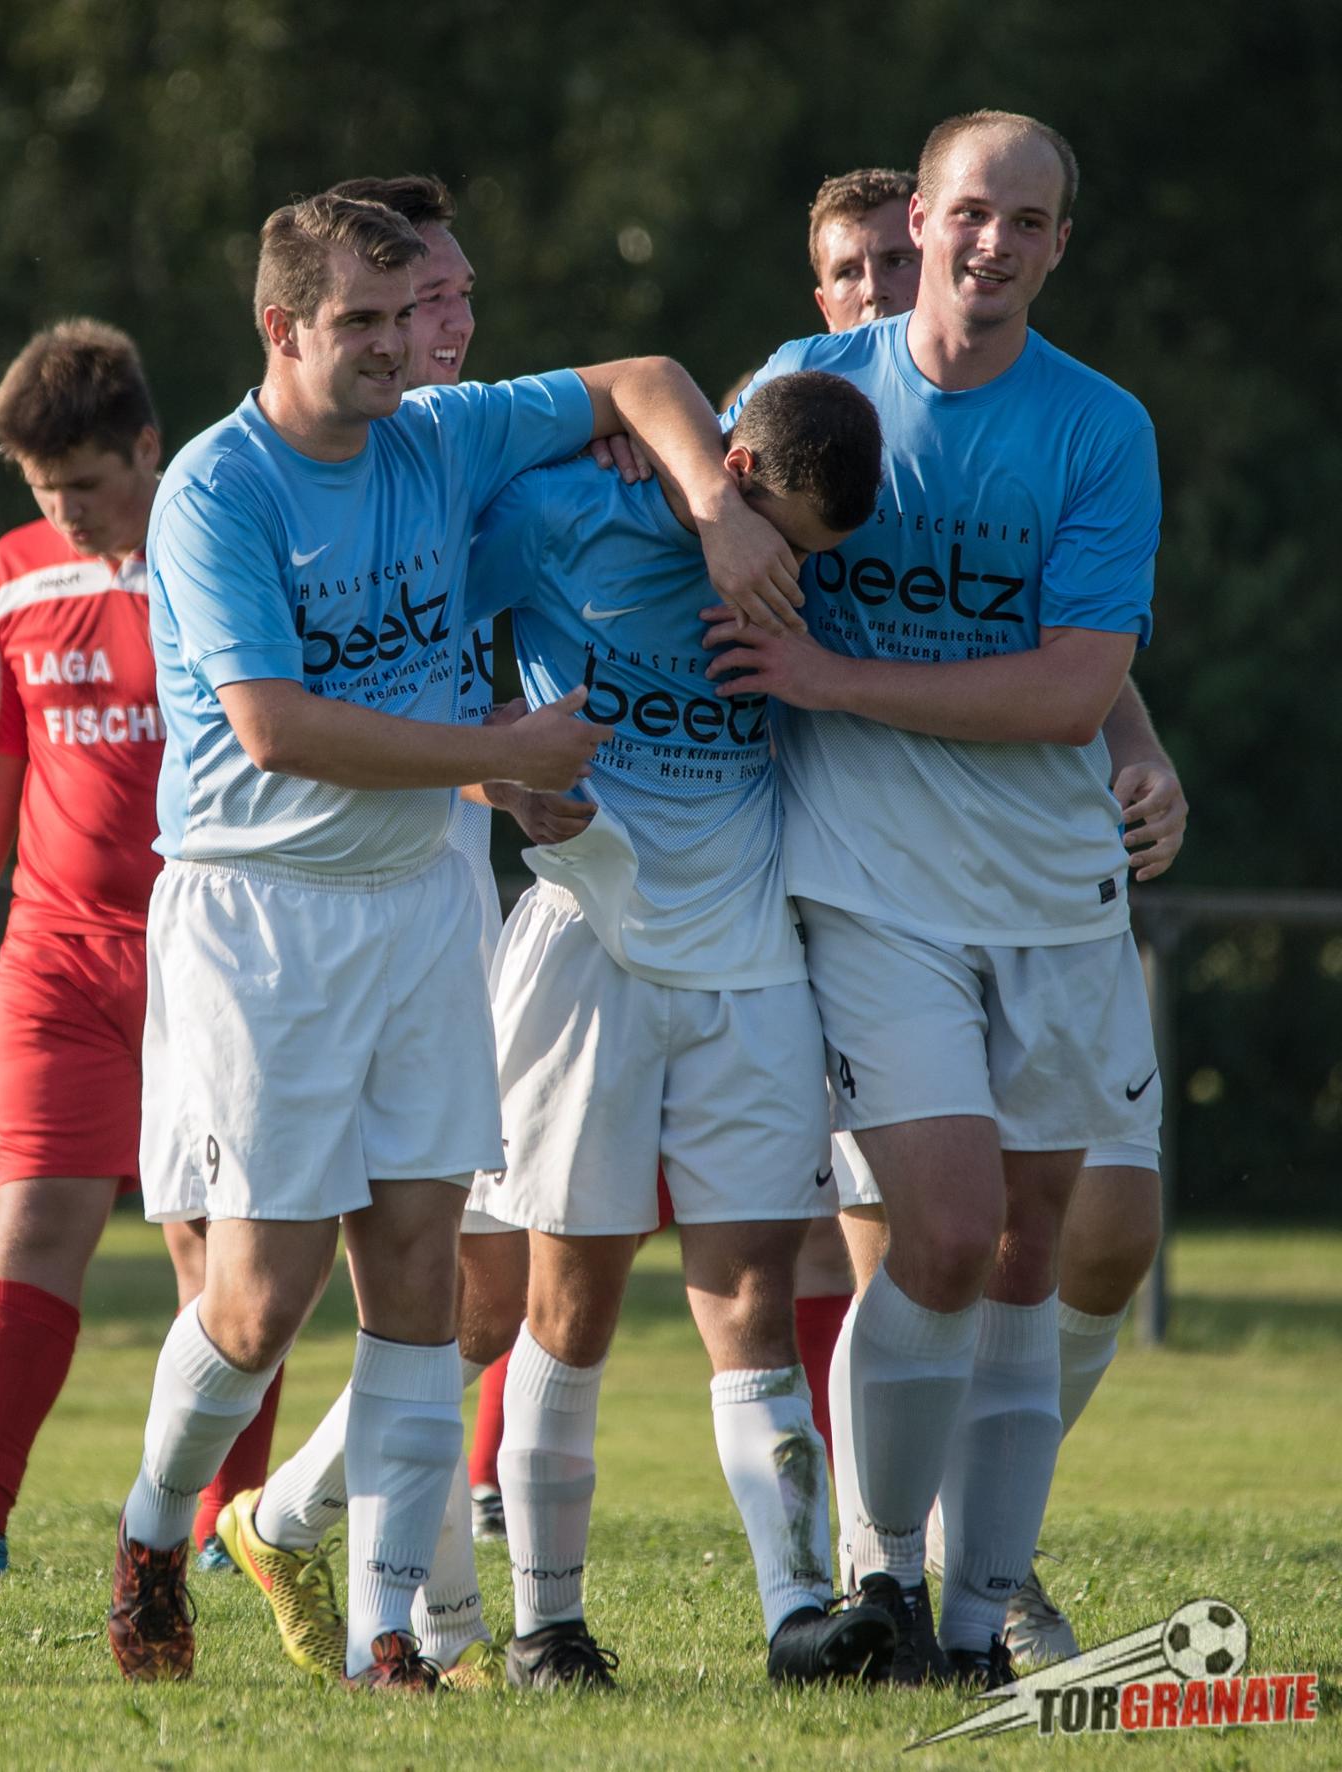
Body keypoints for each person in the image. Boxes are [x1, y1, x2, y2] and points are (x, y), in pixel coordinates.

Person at [107, 189, 809, 1689]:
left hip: (424, 902)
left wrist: (715, 502)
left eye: (403, 313)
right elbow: (274, 727)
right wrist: (504, 759)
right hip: (263, 917)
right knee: (259, 1302)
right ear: (280, 326)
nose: (391, 345)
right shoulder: (218, 489)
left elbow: (640, 379)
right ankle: (156, 1530)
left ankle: (390, 1636)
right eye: (357, 320)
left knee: (424, 1276)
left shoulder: (437, 435)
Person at [709, 111, 1164, 1689]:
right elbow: (682, 502)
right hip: (867, 889)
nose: (994, 245)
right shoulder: (810, 387)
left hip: (1054, 894)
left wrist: (833, 675)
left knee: (1032, 1254)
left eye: (1028, 223)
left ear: (1057, 245)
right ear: (921, 215)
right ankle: (881, 1577)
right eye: (973, 211)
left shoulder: (1100, 427)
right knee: (949, 1230)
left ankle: (976, 1624)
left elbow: (1073, 688)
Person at [462, 369, 894, 1691]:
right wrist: (499, 779)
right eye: (788, 546)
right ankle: (547, 1624)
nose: (796, 577)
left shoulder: (813, 560)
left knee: (755, 1291)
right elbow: (404, 680)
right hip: (587, 950)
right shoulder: (558, 514)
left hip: (751, 960)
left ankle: (797, 1614)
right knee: (569, 1297)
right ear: (738, 480)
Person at [0, 322, 277, 1573]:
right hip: (52, 956)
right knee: (31, 1222)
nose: (66, 513)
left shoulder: (224, 549)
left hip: (212, 952)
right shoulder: (14, 575)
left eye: (85, 484)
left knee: (213, 1242)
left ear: (148, 446)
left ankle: (226, 1524)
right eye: (45, 491)